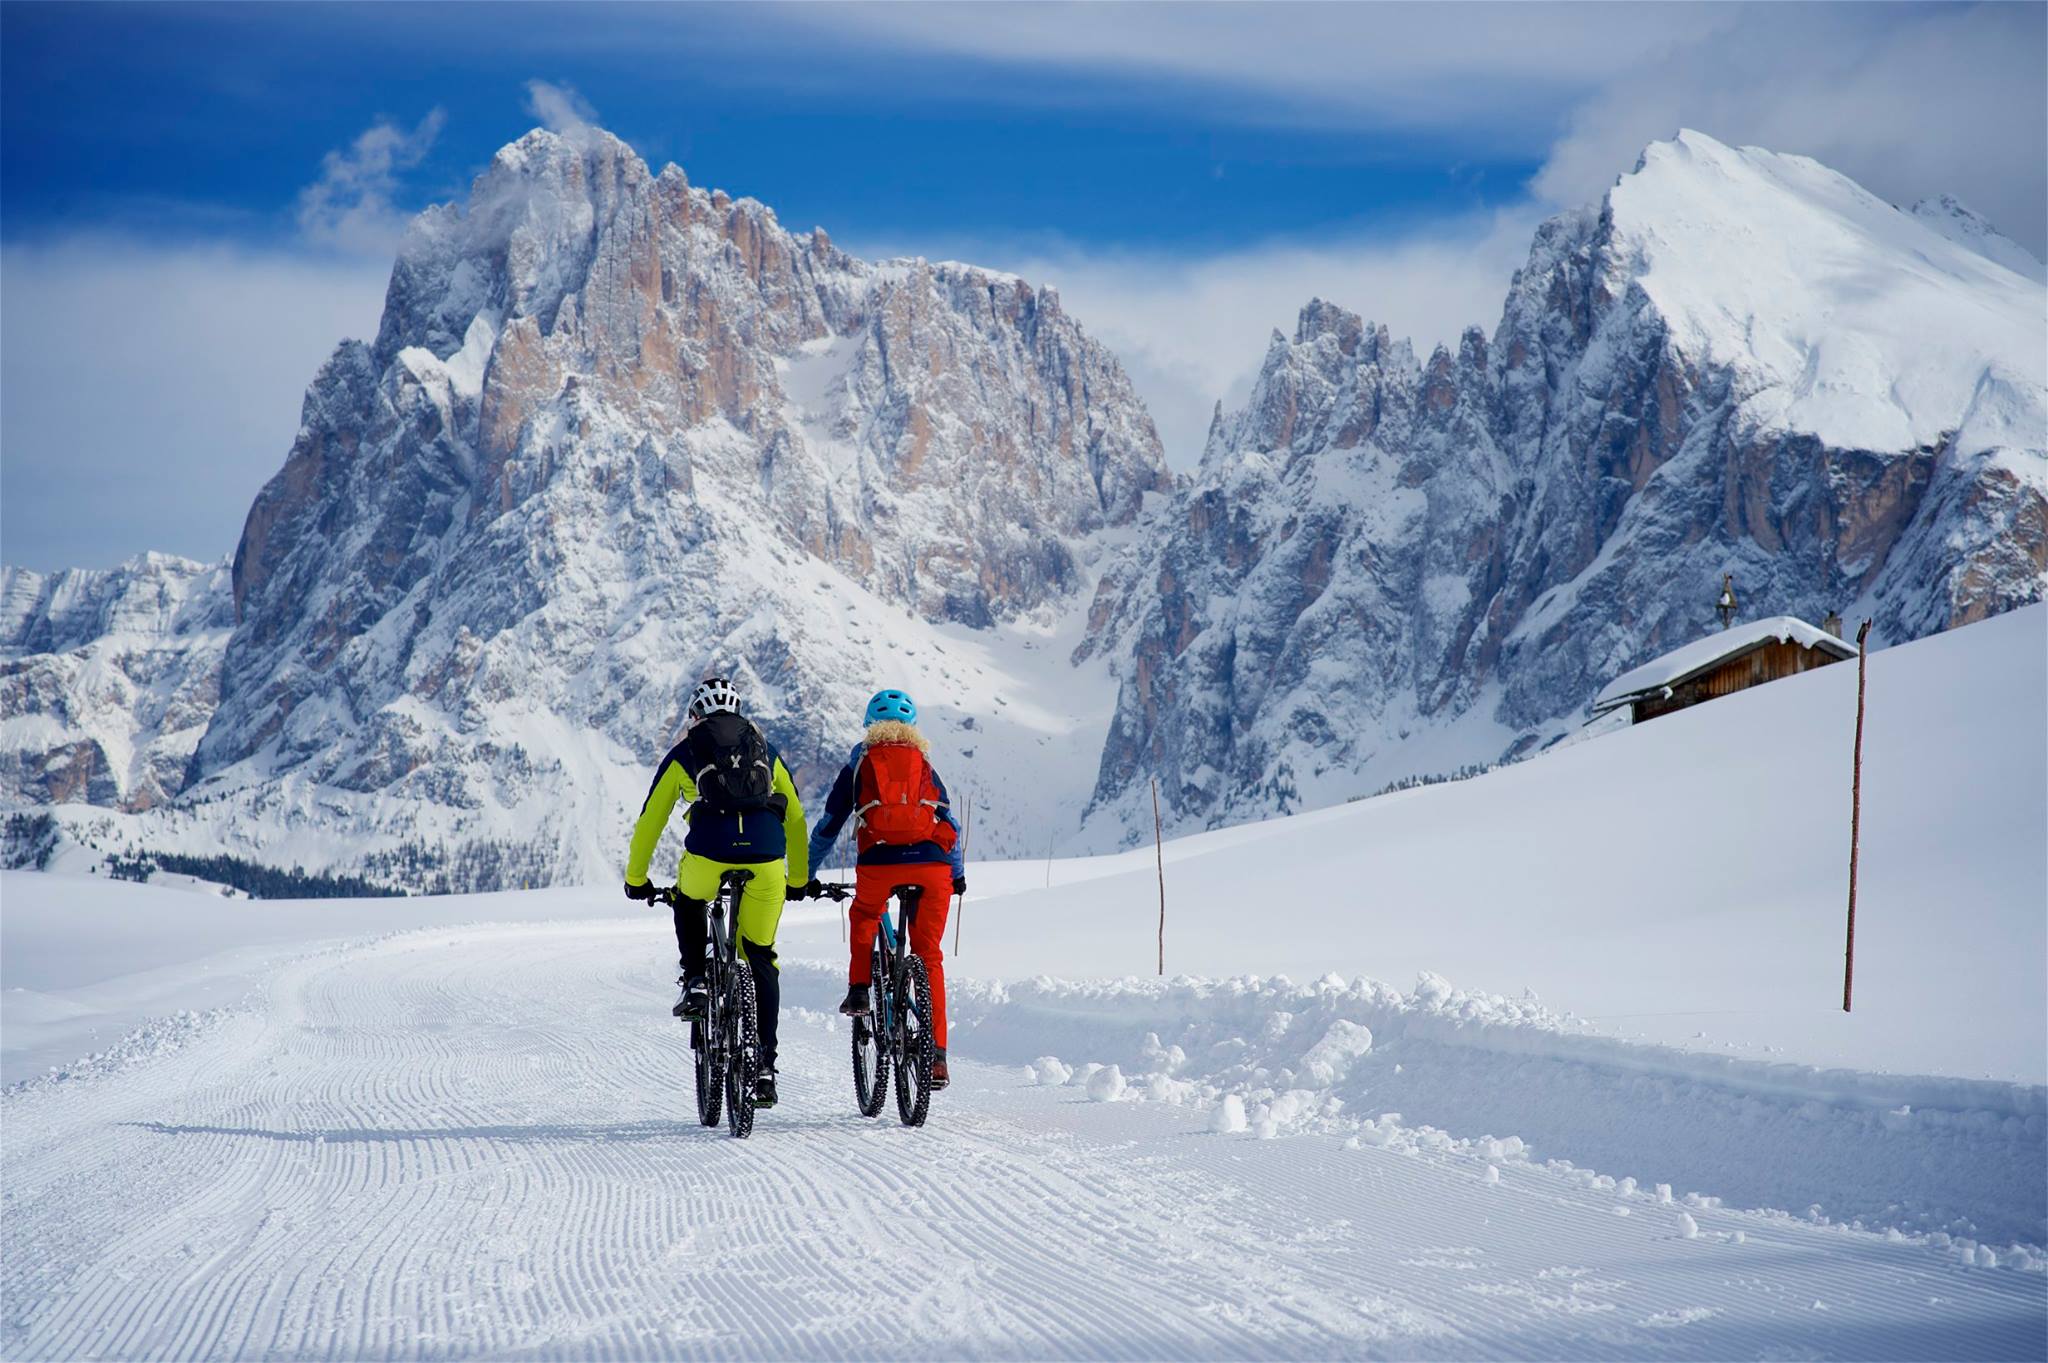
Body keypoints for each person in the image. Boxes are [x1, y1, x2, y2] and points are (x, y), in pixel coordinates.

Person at [624, 676, 808, 1108]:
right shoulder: (764, 747)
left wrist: (637, 880)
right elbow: (797, 818)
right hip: (766, 859)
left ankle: (695, 981)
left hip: (708, 854)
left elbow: (650, 821)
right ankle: (764, 1066)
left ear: (696, 716)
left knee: (688, 901)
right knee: (759, 954)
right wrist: (797, 880)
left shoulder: (686, 752)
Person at [803, 688, 966, 1089]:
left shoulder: (858, 765)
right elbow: (951, 825)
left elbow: (828, 827)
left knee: (865, 914)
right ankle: (938, 1058)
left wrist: (803, 874)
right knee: (929, 957)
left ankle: (859, 990)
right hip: (932, 866)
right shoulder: (924, 764)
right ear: (912, 729)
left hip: (879, 863)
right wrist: (956, 874)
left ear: (868, 726)